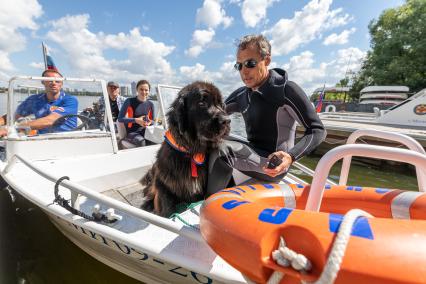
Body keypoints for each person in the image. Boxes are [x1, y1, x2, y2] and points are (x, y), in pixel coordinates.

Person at [207, 34, 326, 195]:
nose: (244, 71)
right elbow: (213, 114)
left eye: (250, 63)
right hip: (251, 153)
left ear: (267, 61)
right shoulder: (241, 94)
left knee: (222, 151)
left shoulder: (286, 90)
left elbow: (317, 130)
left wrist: (290, 157)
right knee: (210, 141)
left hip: (273, 164)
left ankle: (208, 205)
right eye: (239, 66)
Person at [0, 69, 78, 137]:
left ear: (61, 84)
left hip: (66, 138)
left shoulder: (70, 100)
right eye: (50, 80)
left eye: (57, 81)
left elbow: (50, 120)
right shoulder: (34, 100)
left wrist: (12, 128)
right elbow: (13, 116)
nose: (54, 83)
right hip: (41, 139)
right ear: (43, 82)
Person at [117, 79, 155, 147]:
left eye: (146, 90)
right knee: (142, 142)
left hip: (146, 130)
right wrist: (136, 120)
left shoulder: (151, 104)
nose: (144, 92)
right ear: (137, 90)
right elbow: (120, 119)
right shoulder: (129, 101)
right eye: (141, 89)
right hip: (132, 132)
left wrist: (149, 122)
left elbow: (153, 121)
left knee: (157, 140)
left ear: (149, 91)